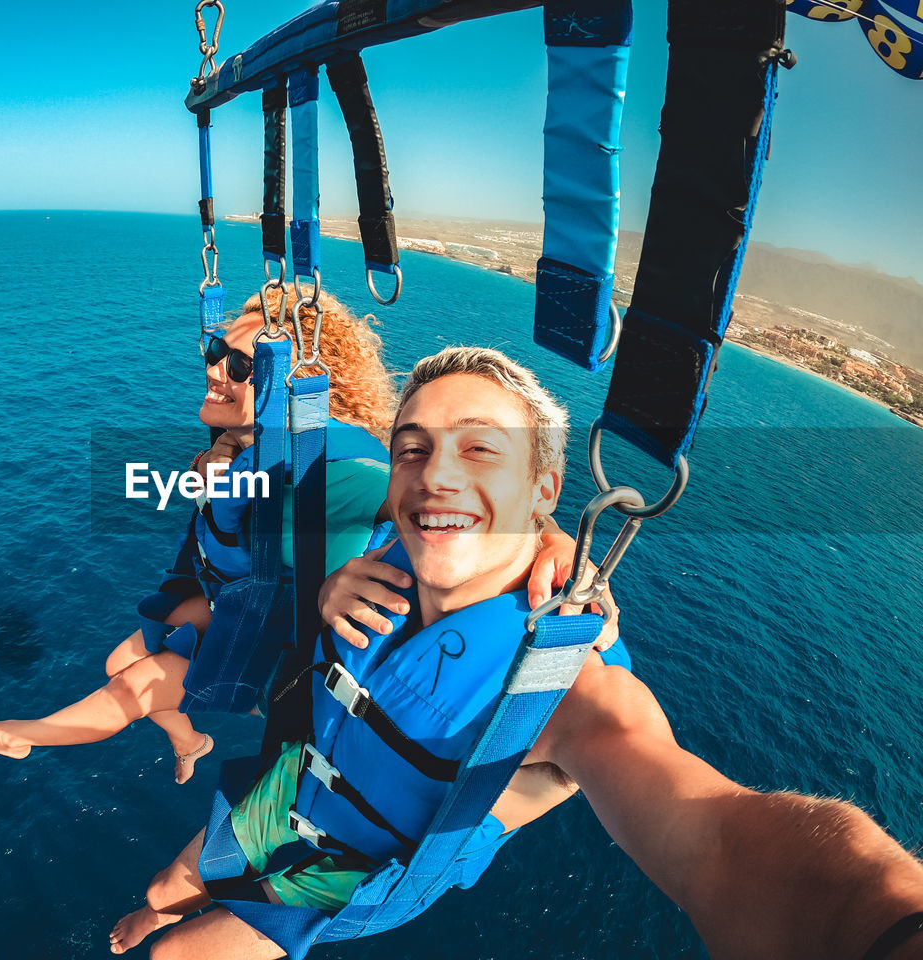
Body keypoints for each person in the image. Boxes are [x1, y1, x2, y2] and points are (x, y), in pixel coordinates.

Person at [107, 346, 923, 959]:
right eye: (415, 449)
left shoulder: (566, 690)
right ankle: (156, 906)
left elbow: (716, 840)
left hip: (354, 864)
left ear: (544, 487)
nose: (436, 476)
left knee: (178, 954)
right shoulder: (387, 550)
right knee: (165, 890)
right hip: (287, 789)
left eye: (480, 449)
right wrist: (323, 596)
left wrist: (883, 919)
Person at [0, 292, 588, 783]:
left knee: (139, 684)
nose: (216, 370)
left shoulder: (344, 476)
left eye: (241, 364)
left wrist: (551, 538)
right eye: (214, 351)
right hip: (247, 600)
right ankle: (189, 741)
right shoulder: (243, 449)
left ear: (301, 387)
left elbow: (446, 499)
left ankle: (30, 733)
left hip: (291, 650)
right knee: (119, 661)